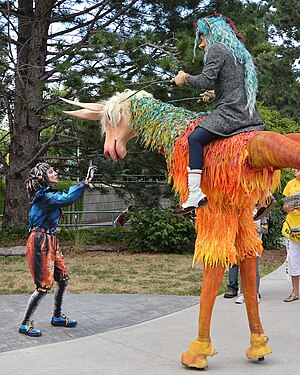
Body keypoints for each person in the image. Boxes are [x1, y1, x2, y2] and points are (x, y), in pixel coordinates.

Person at [171, 14, 265, 215]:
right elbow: (233, 83)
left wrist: (185, 77)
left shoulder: (217, 48)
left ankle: (195, 193)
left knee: (195, 138)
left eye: (202, 38)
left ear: (211, 35)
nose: (202, 45)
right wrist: (215, 93)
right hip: (248, 114)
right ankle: (264, 194)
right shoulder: (237, 52)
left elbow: (205, 80)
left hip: (230, 113)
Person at [18, 161, 97, 337]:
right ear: (42, 177)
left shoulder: (48, 194)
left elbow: (65, 195)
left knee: (63, 278)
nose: (56, 173)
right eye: (52, 171)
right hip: (40, 240)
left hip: (50, 239)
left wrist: (83, 183)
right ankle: (25, 324)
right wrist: (84, 183)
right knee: (44, 285)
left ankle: (57, 316)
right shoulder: (44, 197)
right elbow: (66, 198)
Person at [223, 209, 269, 303]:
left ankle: (255, 293)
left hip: (254, 245)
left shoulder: (261, 211)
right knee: (242, 270)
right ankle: (242, 293)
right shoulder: (241, 210)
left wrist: (251, 228)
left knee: (254, 270)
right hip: (242, 245)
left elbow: (265, 229)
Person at [282, 168, 300, 302]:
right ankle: (295, 292)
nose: (295, 169)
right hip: (293, 228)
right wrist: (287, 207)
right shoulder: (290, 184)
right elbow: (284, 205)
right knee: (293, 260)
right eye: (293, 167)